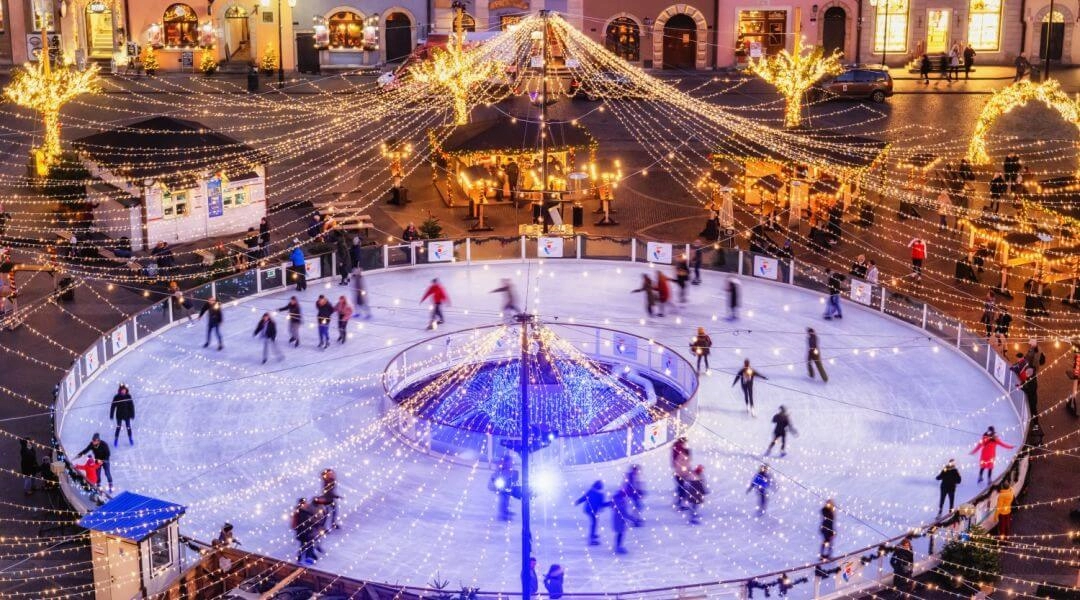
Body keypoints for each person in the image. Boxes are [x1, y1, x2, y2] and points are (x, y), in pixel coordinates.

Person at [575, 480, 611, 546]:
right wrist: (609, 503)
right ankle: (591, 539)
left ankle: (593, 535)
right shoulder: (600, 494)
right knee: (594, 522)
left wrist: (578, 501)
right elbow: (602, 504)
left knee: (594, 522)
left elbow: (584, 498)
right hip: (592, 511)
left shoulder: (591, 491)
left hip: (590, 510)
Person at [292, 498, 319, 565]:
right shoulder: (302, 512)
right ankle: (305, 558)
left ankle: (307, 558)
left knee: (306, 545)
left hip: (304, 532)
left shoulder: (303, 511)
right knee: (305, 545)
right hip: (304, 532)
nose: (307, 504)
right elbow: (304, 523)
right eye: (305, 503)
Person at [671, 438, 691, 510]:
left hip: (680, 474)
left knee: (681, 488)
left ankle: (679, 502)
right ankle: (680, 504)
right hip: (681, 474)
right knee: (682, 489)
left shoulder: (678, 450)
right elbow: (684, 465)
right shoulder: (681, 454)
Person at [611, 486, 632, 553]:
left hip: (619, 519)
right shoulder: (620, 501)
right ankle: (618, 547)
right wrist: (633, 519)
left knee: (620, 533)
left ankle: (618, 546)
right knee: (620, 533)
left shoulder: (617, 500)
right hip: (619, 519)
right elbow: (623, 512)